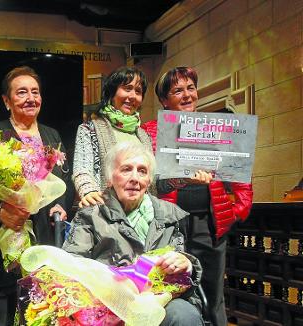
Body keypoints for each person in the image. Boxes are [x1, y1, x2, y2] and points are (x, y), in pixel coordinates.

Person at [142, 66, 253, 326]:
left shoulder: (217, 128)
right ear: (164, 100)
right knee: (168, 289)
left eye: (190, 88)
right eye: (177, 90)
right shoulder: (149, 130)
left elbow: (240, 176)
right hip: (167, 224)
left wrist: (238, 210)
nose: (186, 95)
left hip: (208, 223)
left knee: (213, 294)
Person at [0, 66, 71, 325]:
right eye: (22, 92)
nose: (31, 98)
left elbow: (63, 181)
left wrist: (60, 205)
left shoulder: (52, 135)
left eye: (35, 92)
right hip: (1, 240)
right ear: (7, 101)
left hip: (43, 237)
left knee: (38, 315)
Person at [63, 142, 204, 326]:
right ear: (109, 178)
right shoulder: (91, 215)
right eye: (126, 169)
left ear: (149, 181)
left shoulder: (170, 215)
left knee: (184, 316)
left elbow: (181, 269)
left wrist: (186, 264)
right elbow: (71, 263)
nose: (135, 178)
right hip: (106, 302)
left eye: (142, 171)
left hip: (160, 300)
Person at [72, 66, 153, 209]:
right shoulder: (89, 129)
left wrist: (182, 177)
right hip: (104, 215)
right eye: (127, 88)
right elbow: (82, 170)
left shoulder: (143, 136)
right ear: (112, 92)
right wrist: (89, 191)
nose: (133, 96)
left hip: (141, 217)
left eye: (138, 91)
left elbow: (153, 182)